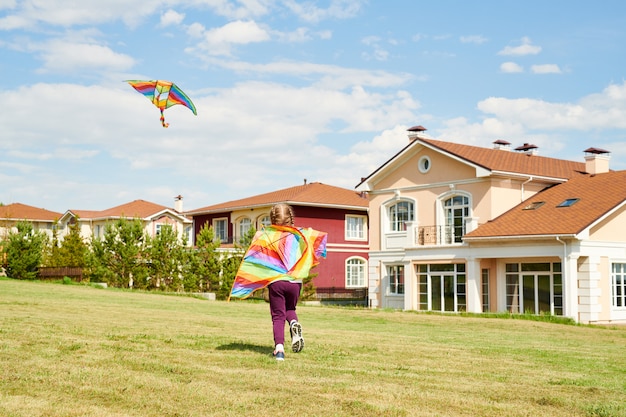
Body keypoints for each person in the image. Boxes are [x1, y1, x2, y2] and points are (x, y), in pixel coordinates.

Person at [268, 203, 305, 361]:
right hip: (296, 281)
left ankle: (279, 350)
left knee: (278, 315)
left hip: (277, 281)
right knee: (290, 308)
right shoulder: (300, 235)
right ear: (291, 218)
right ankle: (294, 323)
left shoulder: (268, 237)